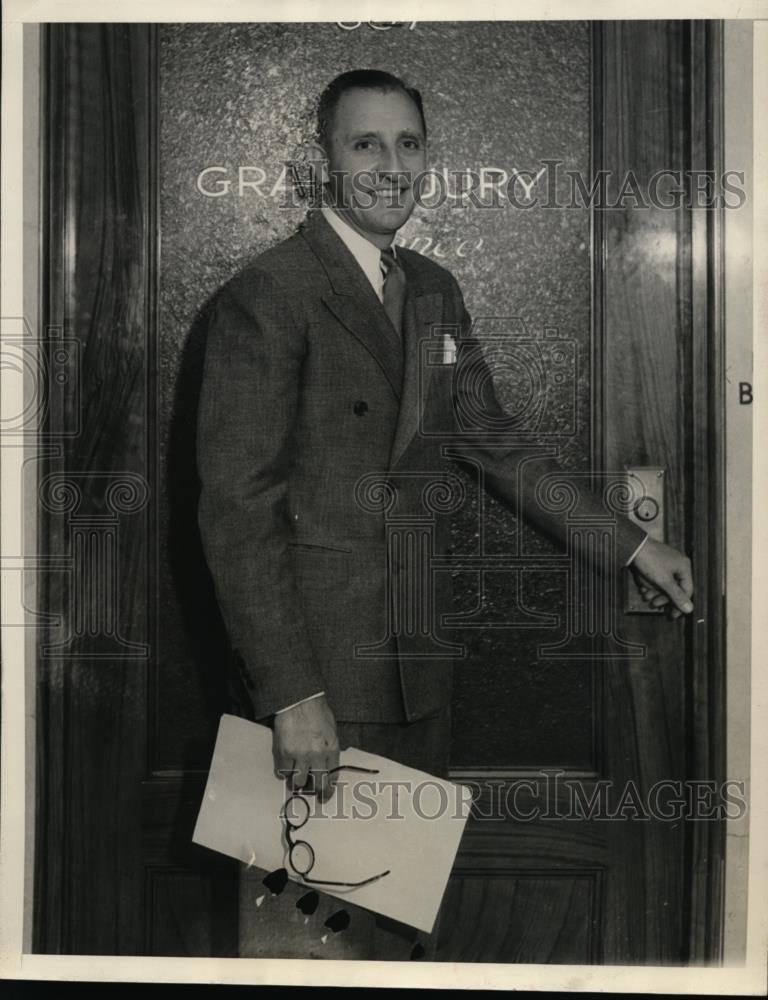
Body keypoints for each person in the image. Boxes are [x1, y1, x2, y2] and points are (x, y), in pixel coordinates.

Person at [196, 69, 694, 959]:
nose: (393, 166)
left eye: (410, 144)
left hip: (414, 668)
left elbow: (496, 444)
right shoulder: (267, 294)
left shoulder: (432, 288)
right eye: (366, 144)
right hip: (317, 686)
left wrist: (630, 547)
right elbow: (238, 511)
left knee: (393, 940)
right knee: (306, 949)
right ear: (324, 163)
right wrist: (292, 694)